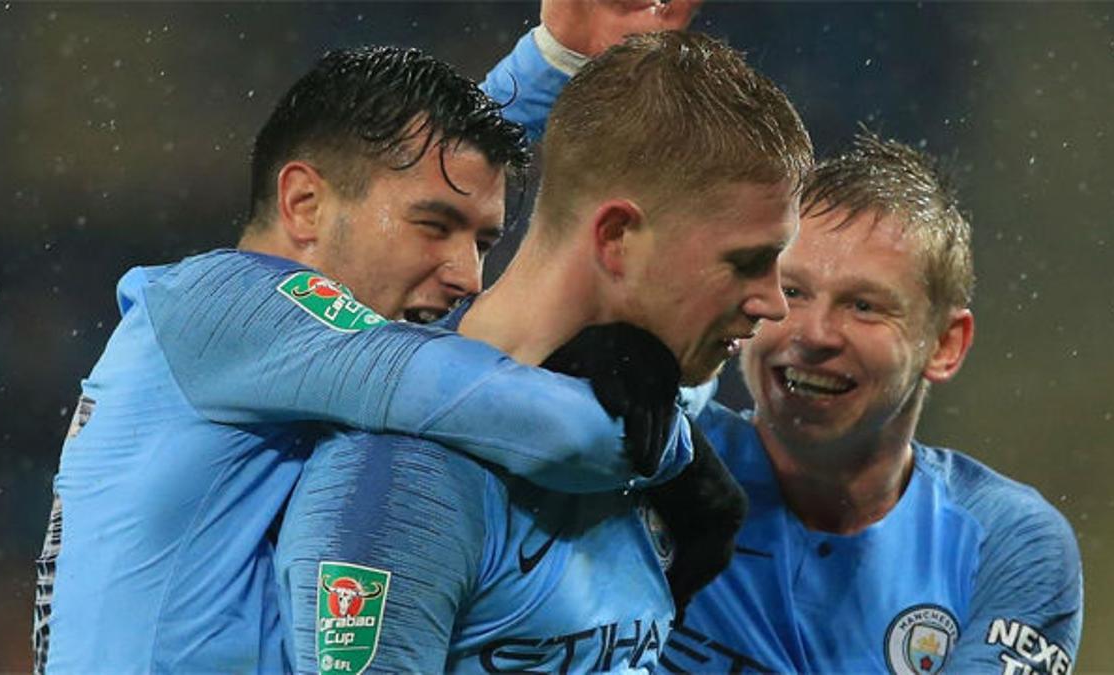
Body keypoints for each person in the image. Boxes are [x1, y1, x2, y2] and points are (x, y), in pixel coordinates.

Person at [34, 39, 699, 674]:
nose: (469, 275)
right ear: (304, 204)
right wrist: (674, 443)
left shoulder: (260, 342)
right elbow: (549, 427)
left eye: (483, 241)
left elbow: (423, 171)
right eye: (435, 228)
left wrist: (555, 56)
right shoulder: (224, 307)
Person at [275, 28, 814, 673]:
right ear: (616, 238)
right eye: (748, 262)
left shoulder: (637, 424)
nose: (773, 303)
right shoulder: (402, 481)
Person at [660, 131, 1084, 674]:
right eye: (792, 291)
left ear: (945, 345)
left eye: (863, 306)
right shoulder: (653, 462)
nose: (813, 334)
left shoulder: (1007, 543)